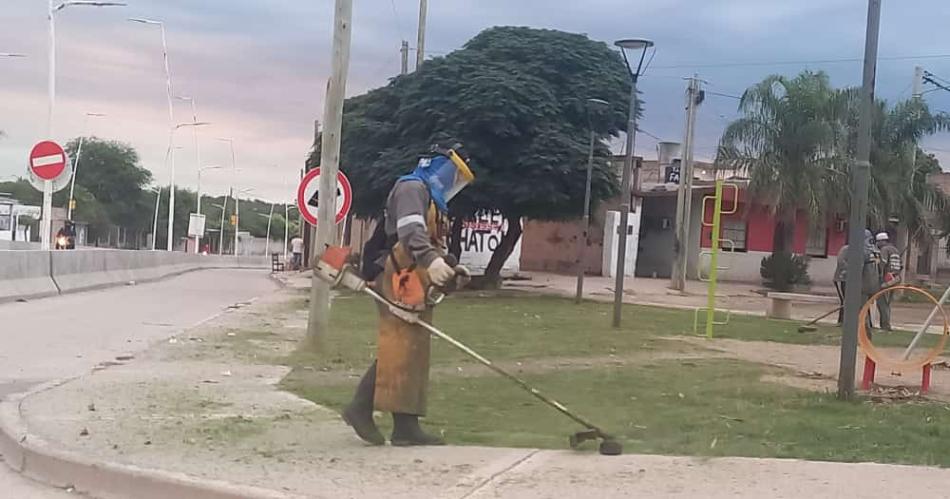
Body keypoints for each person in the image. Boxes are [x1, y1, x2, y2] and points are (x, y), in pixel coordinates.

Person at [343, 143, 474, 446]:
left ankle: (406, 427)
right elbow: (411, 233)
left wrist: (450, 266)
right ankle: (359, 409)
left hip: (413, 273)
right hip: (392, 271)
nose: (454, 184)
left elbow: (429, 241)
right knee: (399, 345)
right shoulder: (411, 188)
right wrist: (432, 261)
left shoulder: (431, 198)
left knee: (413, 347)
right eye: (455, 176)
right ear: (441, 168)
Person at [875, 232, 901, 331]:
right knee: (888, 303)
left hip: (886, 279)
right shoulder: (895, 250)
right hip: (895, 279)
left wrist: (878, 275)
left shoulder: (884, 250)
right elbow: (901, 266)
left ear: (882, 241)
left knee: (882, 303)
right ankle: (887, 324)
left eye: (878, 242)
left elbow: (883, 263)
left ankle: (885, 326)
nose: (877, 244)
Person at [833, 243, 848, 325]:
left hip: (850, 280)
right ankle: (841, 321)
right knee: (844, 300)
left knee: (848, 300)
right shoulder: (845, 249)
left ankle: (845, 321)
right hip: (841, 278)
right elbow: (840, 261)